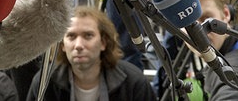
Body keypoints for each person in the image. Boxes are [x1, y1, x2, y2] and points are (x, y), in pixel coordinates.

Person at [27, 6, 156, 100]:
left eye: (88, 36)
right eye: (71, 36)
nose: (78, 45)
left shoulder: (134, 82)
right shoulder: (44, 83)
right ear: (62, 45)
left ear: (103, 42)